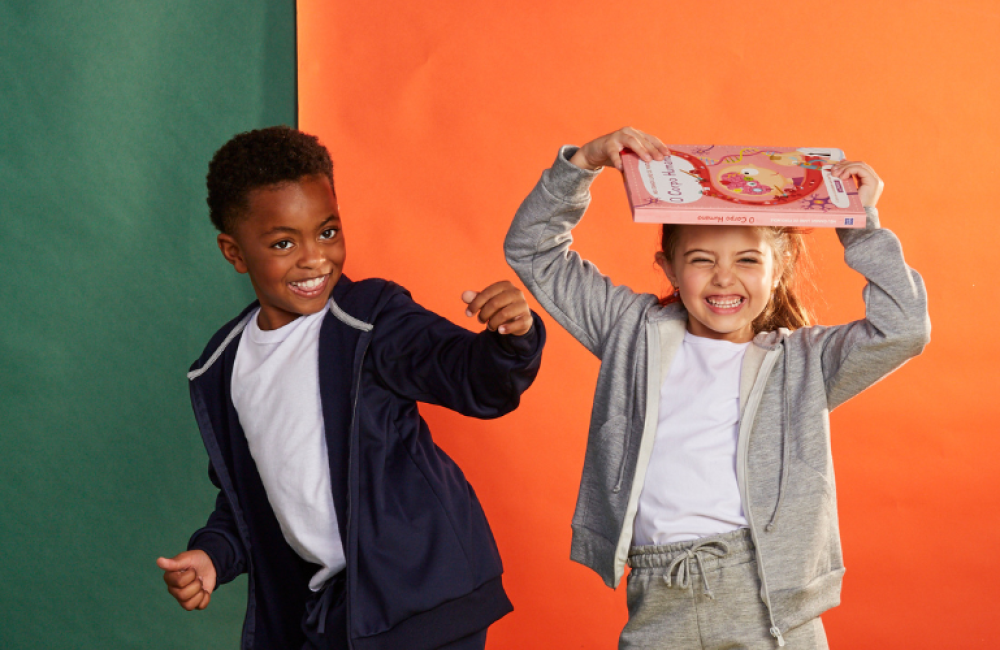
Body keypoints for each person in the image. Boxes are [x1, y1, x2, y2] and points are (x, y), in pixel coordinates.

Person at [504, 127, 929, 649]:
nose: (724, 279)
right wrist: (584, 163)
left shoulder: (802, 363)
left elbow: (903, 327)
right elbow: (533, 252)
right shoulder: (631, 333)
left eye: (747, 260)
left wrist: (859, 228)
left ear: (779, 271)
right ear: (670, 269)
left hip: (769, 598)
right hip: (660, 593)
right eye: (702, 259)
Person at [156, 126, 545, 650]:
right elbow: (248, 497)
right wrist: (211, 554)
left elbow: (471, 378)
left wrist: (510, 339)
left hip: (424, 596)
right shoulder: (223, 368)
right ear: (235, 252)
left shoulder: (370, 318)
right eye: (283, 243)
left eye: (328, 232)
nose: (315, 258)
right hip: (337, 612)